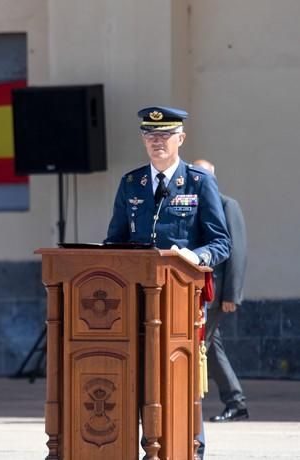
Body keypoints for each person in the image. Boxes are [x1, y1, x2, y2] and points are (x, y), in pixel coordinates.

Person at [105, 106, 231, 459]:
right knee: (140, 375)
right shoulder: (132, 183)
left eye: (164, 135)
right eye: (150, 135)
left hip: (180, 299)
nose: (156, 141)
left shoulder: (198, 182)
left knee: (180, 376)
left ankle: (191, 449)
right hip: (134, 299)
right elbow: (115, 239)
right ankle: (146, 447)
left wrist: (196, 257)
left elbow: (221, 242)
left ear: (181, 138)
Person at [192, 159, 249, 422]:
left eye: (205, 175)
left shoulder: (227, 205)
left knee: (197, 346)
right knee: (211, 349)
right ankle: (236, 402)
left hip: (215, 293)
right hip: (195, 289)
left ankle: (188, 404)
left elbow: (237, 253)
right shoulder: (190, 205)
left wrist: (231, 295)